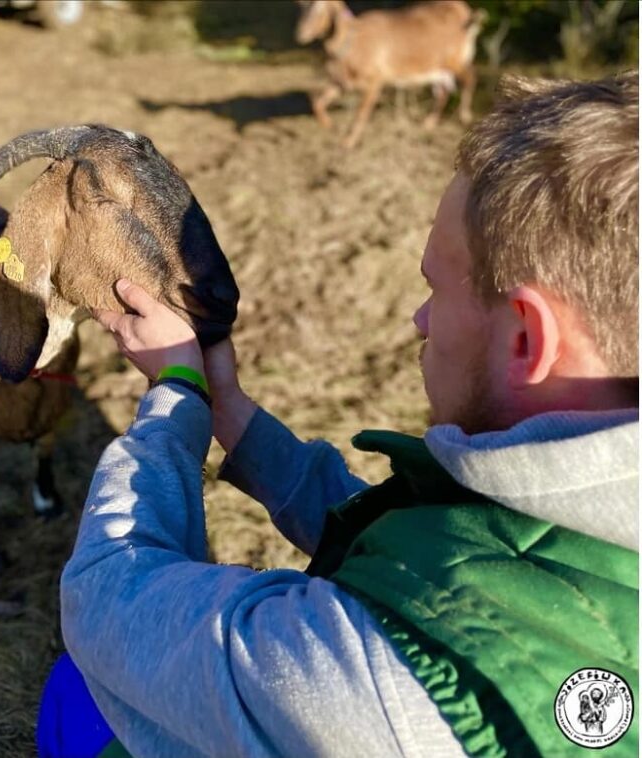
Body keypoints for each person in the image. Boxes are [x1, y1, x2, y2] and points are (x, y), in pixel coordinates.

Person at [40, 72, 639, 757]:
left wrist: (175, 393)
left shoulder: (381, 683)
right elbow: (434, 557)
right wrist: (233, 417)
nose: (418, 320)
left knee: (77, 698)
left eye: (435, 291)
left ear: (528, 340)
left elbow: (106, 600)